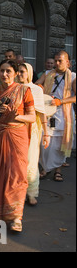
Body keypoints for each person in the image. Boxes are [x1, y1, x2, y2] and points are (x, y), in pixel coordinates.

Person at [0, 60, 36, 232]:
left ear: (15, 73)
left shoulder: (24, 91)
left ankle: (16, 217)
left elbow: (32, 117)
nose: (5, 74)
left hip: (17, 136)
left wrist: (16, 117)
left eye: (9, 71)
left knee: (17, 175)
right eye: (2, 71)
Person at [36, 50, 76, 182]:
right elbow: (36, 85)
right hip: (47, 112)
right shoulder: (48, 74)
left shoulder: (73, 76)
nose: (57, 63)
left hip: (63, 115)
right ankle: (45, 168)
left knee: (59, 145)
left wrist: (61, 101)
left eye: (60, 61)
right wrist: (40, 87)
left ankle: (57, 171)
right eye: (56, 60)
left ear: (68, 63)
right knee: (44, 143)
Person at [16, 63, 50, 206]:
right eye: (18, 71)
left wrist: (46, 134)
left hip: (32, 129)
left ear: (29, 73)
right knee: (17, 163)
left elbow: (42, 114)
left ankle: (31, 193)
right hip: (16, 129)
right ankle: (18, 193)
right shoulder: (13, 88)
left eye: (22, 71)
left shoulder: (36, 89)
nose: (19, 74)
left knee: (30, 161)